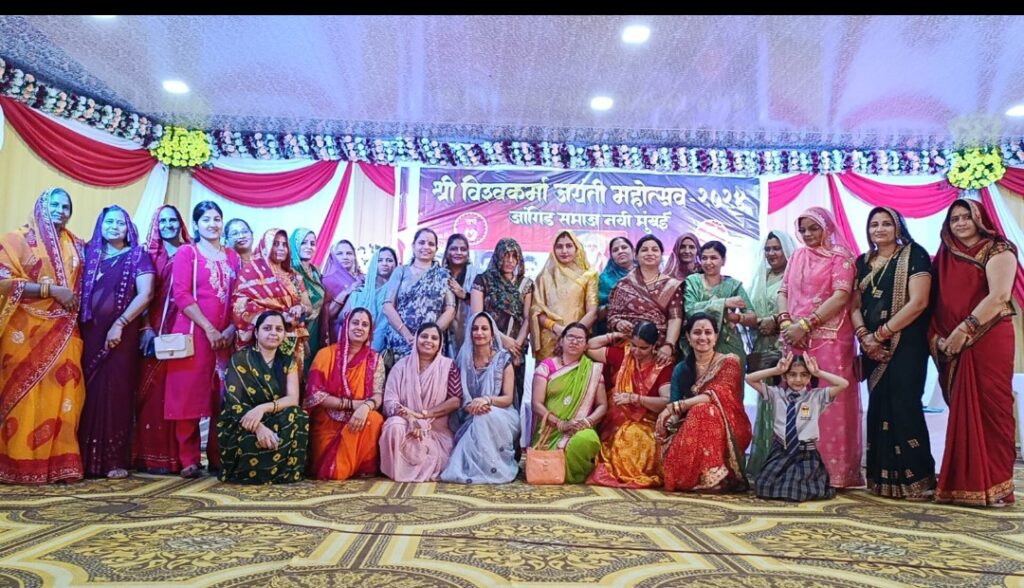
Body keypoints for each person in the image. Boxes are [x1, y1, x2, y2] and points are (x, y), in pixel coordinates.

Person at [930, 199, 1018, 507]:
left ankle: (996, 484)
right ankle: (963, 484)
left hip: (988, 339)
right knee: (962, 410)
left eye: (967, 217)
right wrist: (939, 339)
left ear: (981, 219)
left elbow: (1000, 296)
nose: (961, 223)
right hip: (952, 346)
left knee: (993, 410)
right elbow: (935, 302)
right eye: (954, 218)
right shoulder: (944, 255)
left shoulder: (998, 249)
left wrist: (963, 330)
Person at [0, 188, 86, 484]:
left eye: (66, 206)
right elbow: (2, 280)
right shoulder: (17, 239)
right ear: (40, 207)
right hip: (24, 330)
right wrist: (51, 290)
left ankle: (57, 464)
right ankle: (17, 463)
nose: (61, 211)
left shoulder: (76, 244)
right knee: (24, 396)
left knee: (61, 394)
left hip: (65, 330)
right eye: (55, 205)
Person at [851, 207, 935, 500]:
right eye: (874, 224)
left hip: (907, 345)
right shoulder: (862, 262)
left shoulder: (915, 254)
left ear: (898, 227)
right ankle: (881, 480)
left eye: (887, 223)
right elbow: (854, 306)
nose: (880, 229)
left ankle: (918, 480)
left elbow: (919, 302)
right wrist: (864, 337)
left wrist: (880, 335)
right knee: (879, 407)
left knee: (904, 406)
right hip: (871, 347)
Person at [777, 206, 861, 488]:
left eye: (814, 228)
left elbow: (841, 296)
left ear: (827, 228)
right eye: (803, 230)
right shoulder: (797, 256)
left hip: (830, 341)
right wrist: (787, 323)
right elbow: (783, 291)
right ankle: (797, 469)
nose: (808, 234)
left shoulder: (841, 257)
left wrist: (806, 324)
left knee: (829, 403)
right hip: (795, 339)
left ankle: (834, 473)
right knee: (797, 402)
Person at [164, 201, 242, 478]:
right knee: (188, 395)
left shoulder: (232, 257)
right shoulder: (188, 253)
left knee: (222, 396)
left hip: (225, 338)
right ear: (196, 224)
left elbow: (239, 296)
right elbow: (181, 294)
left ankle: (218, 457)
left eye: (217, 219)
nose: (212, 224)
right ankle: (189, 459)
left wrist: (230, 330)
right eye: (206, 219)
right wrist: (209, 329)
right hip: (193, 333)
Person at [78, 206, 155, 478]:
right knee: (86, 393)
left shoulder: (138, 255)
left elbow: (146, 294)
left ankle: (114, 460)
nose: (114, 227)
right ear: (100, 225)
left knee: (116, 394)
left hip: (121, 336)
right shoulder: (87, 254)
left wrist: (120, 324)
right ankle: (84, 459)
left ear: (128, 228)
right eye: (109, 222)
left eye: (120, 223)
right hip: (88, 335)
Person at [658, 312, 751, 492]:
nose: (703, 337)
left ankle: (714, 476)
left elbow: (715, 395)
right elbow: (674, 404)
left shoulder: (729, 362)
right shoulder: (682, 369)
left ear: (716, 337)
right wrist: (669, 418)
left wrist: (682, 405)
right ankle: (695, 476)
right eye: (697, 332)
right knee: (682, 416)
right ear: (688, 337)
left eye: (708, 332)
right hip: (690, 424)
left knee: (704, 410)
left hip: (729, 425)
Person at [218, 311, 309, 484]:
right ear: (256, 332)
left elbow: (292, 399)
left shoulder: (288, 360)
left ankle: (285, 472)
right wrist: (259, 427)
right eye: (267, 328)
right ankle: (251, 472)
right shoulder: (240, 359)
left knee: (298, 415)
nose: (273, 333)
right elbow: (233, 404)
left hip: (272, 415)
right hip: (244, 420)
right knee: (246, 433)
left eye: (279, 329)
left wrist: (262, 408)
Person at [134, 205, 191, 474]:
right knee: (151, 391)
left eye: (173, 220)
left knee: (177, 392)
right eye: (163, 221)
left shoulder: (191, 253)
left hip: (182, 329)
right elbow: (142, 295)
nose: (168, 225)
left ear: (181, 223)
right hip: (154, 329)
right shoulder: (148, 255)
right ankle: (150, 457)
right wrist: (146, 327)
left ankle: (176, 457)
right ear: (156, 225)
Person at [747, 353, 849, 501]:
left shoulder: (816, 397)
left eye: (804, 375)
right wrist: (776, 370)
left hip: (805, 453)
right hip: (781, 451)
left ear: (809, 377)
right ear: (785, 376)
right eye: (792, 374)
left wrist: (818, 372)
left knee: (797, 490)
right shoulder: (776, 394)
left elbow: (843, 384)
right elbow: (749, 379)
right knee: (764, 486)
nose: (798, 380)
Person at [584, 321, 671, 488]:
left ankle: (631, 474)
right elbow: (589, 347)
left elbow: (666, 401)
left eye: (643, 348)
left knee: (634, 436)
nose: (636, 351)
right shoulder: (624, 356)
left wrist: (635, 399)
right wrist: (615, 335)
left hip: (648, 423)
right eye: (633, 345)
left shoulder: (662, 366)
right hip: (615, 423)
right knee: (625, 436)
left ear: (654, 346)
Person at [305, 307, 384, 480]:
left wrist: (365, 407)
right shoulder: (325, 354)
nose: (359, 327)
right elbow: (314, 395)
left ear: (370, 331)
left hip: (359, 418)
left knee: (374, 419)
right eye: (355, 323)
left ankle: (361, 467)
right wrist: (350, 405)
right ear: (346, 326)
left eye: (365, 325)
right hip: (327, 421)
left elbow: (378, 394)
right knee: (333, 472)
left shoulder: (375, 359)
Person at [440, 312, 520, 484]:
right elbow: (459, 396)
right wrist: (471, 406)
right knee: (481, 417)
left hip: (503, 415)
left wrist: (486, 400)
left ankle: (496, 469)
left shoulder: (503, 359)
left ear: (492, 333)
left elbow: (507, 398)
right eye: (475, 329)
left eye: (484, 329)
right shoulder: (463, 360)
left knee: (485, 415)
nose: (479, 333)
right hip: (469, 414)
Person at [379, 322, 462, 481]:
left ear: (440, 344)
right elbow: (390, 401)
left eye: (434, 338)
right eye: (424, 336)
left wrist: (422, 415)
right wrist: (410, 418)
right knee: (393, 425)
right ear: (416, 339)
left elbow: (455, 401)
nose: (428, 341)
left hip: (435, 429)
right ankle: (397, 471)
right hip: (405, 422)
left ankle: (414, 469)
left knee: (434, 453)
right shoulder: (400, 366)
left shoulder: (448, 366)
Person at [745, 231, 798, 478]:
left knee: (785, 403)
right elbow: (750, 311)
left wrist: (776, 320)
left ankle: (785, 464)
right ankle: (765, 462)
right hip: (763, 347)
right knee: (767, 402)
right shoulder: (762, 276)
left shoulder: (795, 276)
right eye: (768, 249)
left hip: (787, 346)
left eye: (776, 248)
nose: (771, 253)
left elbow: (802, 306)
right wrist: (756, 322)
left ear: (787, 249)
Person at [529, 323, 607, 484]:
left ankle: (572, 475)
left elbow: (602, 405)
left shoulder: (592, 370)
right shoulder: (546, 367)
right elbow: (536, 404)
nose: (574, 341)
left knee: (587, 439)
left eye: (580, 339)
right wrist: (560, 424)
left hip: (580, 427)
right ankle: (554, 470)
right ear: (561, 341)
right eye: (570, 337)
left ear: (586, 345)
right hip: (550, 430)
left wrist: (587, 422)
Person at [530, 231, 598, 361]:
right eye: (559, 246)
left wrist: (572, 335)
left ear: (577, 248)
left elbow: (592, 312)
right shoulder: (544, 277)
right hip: (550, 341)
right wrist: (557, 329)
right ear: (553, 250)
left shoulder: (589, 275)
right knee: (547, 373)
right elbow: (536, 311)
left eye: (569, 246)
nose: (564, 251)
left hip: (577, 341)